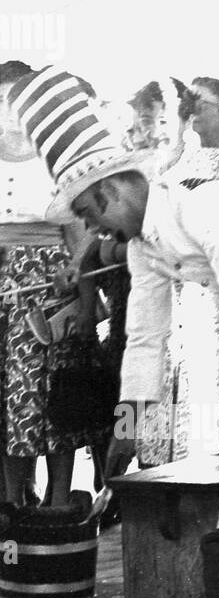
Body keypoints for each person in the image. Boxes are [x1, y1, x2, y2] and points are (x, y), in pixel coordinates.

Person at [12, 67, 219, 472]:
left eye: (88, 214)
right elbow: (144, 340)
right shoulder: (143, 247)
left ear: (107, 193)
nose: (91, 229)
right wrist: (126, 432)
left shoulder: (199, 208)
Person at [0, 61, 96, 508]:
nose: (5, 110)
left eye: (13, 100)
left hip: (48, 283)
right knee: (8, 393)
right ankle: (14, 498)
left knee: (56, 391)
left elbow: (79, 231)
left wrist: (79, 293)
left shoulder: (52, 159)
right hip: (4, 285)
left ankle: (59, 500)